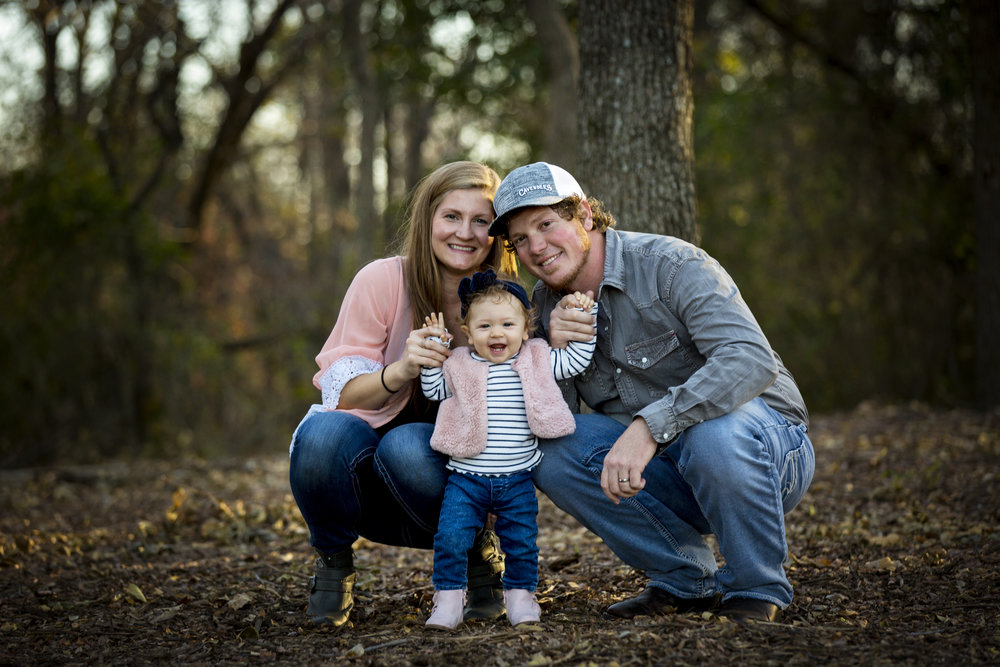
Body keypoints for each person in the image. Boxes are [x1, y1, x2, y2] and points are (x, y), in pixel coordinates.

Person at [487, 162, 815, 623]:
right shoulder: (541, 305)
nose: (536, 247)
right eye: (520, 239)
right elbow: (553, 421)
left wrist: (650, 426)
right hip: (665, 475)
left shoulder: (672, 265)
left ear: (583, 214)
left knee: (712, 434)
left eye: (546, 224)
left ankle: (755, 586)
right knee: (548, 448)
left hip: (767, 454)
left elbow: (749, 359)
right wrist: (554, 354)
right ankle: (683, 579)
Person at [288, 161, 520, 627]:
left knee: (408, 447)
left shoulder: (507, 304)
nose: (466, 233)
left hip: (457, 486)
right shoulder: (383, 280)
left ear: (497, 234)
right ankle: (333, 566)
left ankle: (478, 557)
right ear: (427, 221)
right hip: (367, 492)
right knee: (320, 436)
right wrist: (403, 369)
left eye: (481, 221)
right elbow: (345, 394)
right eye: (451, 217)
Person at [416, 270, 597, 630]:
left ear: (525, 329)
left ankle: (521, 598)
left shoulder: (536, 358)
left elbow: (575, 361)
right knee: (451, 537)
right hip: (466, 477)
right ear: (467, 333)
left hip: (517, 477)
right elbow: (434, 389)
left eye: (507, 325)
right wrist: (434, 349)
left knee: (522, 541)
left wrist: (585, 318)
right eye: (484, 327)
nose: (497, 333)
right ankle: (448, 600)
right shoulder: (459, 364)